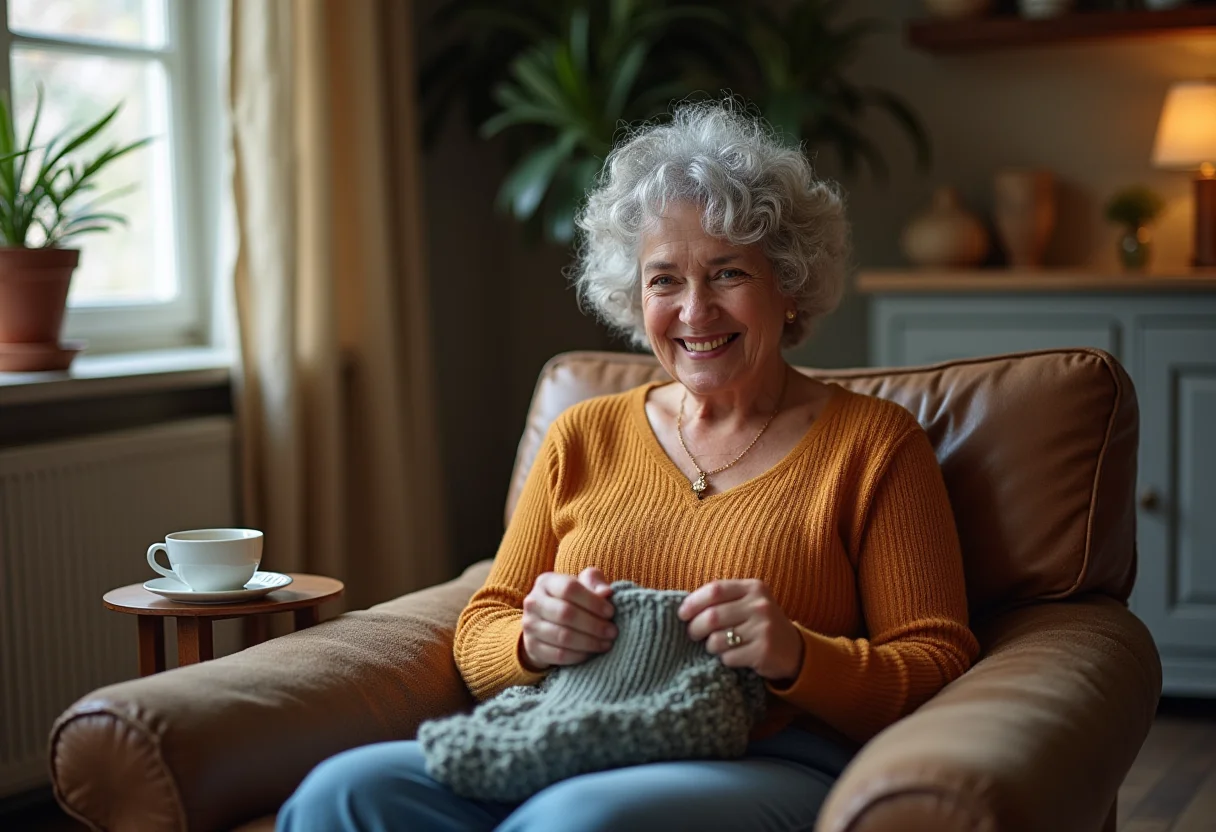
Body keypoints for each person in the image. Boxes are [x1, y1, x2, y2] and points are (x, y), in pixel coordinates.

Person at [278, 99, 979, 832]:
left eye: (728, 273)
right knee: (341, 792)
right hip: (567, 731)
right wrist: (532, 639)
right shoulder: (582, 433)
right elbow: (485, 621)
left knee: (574, 821)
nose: (694, 310)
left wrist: (799, 655)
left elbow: (935, 662)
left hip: (767, 760)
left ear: (790, 284)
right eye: (664, 280)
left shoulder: (874, 446)